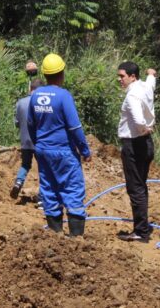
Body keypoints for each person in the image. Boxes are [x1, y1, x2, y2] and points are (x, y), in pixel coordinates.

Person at [27, 53, 91, 236]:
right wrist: (84, 149)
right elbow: (75, 127)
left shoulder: (36, 95)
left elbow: (30, 124)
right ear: (62, 73)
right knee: (72, 189)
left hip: (43, 150)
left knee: (49, 189)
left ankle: (55, 237)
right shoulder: (64, 96)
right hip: (63, 151)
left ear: (45, 74)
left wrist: (37, 144)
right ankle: (75, 240)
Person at [116, 61, 156, 242]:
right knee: (141, 185)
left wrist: (143, 129)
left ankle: (140, 232)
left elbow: (138, 120)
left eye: (122, 76)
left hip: (134, 144)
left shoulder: (132, 95)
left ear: (133, 77)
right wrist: (151, 73)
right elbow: (151, 82)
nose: (119, 79)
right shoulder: (145, 87)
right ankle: (142, 227)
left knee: (135, 188)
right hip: (146, 144)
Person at [10, 75, 43, 200]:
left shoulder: (20, 102)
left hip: (25, 141)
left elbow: (17, 123)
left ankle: (18, 183)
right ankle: (42, 196)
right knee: (43, 168)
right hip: (40, 141)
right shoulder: (43, 102)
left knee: (25, 164)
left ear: (31, 88)